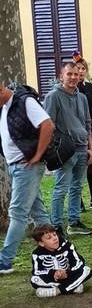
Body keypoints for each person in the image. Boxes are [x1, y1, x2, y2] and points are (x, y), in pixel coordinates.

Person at [0, 83, 54, 274]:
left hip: (26, 166)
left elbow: (48, 125)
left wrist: (38, 155)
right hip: (16, 166)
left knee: (17, 213)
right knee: (38, 212)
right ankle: (57, 248)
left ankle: (4, 261)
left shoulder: (25, 101)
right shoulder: (5, 108)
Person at [44, 62, 92, 237]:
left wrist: (91, 148)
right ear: (61, 76)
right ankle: (56, 225)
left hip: (82, 149)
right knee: (61, 188)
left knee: (77, 187)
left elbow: (87, 124)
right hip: (65, 150)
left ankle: (74, 222)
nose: (73, 77)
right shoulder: (53, 96)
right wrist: (52, 149)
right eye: (69, 74)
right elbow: (48, 124)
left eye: (76, 74)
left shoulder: (82, 98)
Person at [73, 52, 92, 210]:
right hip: (78, 130)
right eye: (78, 68)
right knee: (78, 165)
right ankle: (78, 201)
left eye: (83, 68)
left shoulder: (89, 87)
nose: (81, 71)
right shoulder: (73, 89)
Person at [30, 224, 92, 298]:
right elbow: (37, 271)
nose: (54, 238)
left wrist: (67, 273)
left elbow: (79, 262)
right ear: (41, 243)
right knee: (34, 279)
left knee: (86, 270)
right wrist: (53, 273)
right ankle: (72, 287)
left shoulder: (67, 246)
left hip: (69, 276)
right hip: (52, 279)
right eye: (49, 238)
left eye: (54, 235)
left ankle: (58, 290)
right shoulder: (37, 253)